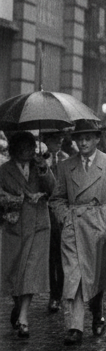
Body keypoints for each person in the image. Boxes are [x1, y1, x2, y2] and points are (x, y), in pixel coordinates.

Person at [51, 118, 106, 346]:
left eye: (88, 138)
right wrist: (65, 217)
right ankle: (75, 326)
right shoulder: (65, 166)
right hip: (73, 230)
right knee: (73, 275)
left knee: (95, 277)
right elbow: (57, 198)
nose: (83, 143)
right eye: (79, 139)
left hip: (99, 229)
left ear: (97, 139)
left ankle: (97, 312)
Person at [0, 132, 55, 338]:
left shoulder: (39, 166)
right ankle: (17, 304)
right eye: (24, 147)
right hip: (14, 227)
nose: (28, 151)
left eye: (31, 147)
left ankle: (23, 318)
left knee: (31, 271)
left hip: (39, 225)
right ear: (15, 149)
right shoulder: (4, 170)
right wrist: (17, 198)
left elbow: (53, 188)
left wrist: (44, 170)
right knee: (15, 271)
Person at [41, 130, 69, 312]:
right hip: (45, 211)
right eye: (55, 139)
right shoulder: (40, 160)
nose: (59, 141)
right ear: (46, 140)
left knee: (63, 255)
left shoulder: (66, 159)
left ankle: (63, 291)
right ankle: (54, 294)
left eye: (61, 138)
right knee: (51, 256)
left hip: (63, 212)